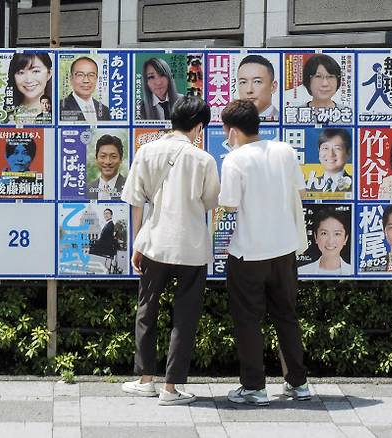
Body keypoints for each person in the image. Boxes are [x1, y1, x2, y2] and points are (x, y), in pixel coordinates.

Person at [120, 96, 220, 406]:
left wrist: (138, 241)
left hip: (154, 243)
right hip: (191, 246)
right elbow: (210, 201)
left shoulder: (146, 151)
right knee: (185, 317)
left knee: (147, 310)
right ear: (199, 126)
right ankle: (171, 388)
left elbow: (136, 200)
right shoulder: (203, 159)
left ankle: (145, 379)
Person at [218, 99, 310, 406]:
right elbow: (301, 190)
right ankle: (298, 384)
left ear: (231, 130)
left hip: (248, 252)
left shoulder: (234, 159)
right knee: (286, 316)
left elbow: (229, 204)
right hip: (285, 249)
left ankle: (254, 387)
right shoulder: (285, 151)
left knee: (248, 320)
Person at [299, 208, 352, 275]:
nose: (330, 241)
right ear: (316, 237)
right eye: (324, 233)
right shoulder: (301, 272)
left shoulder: (352, 272)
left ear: (345, 239)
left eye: (337, 234)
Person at [60, 57, 110, 123]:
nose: (86, 80)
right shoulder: (59, 107)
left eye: (91, 75)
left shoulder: (105, 110)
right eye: (80, 75)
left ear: (96, 79)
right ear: (71, 79)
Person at [6, 53, 53, 123]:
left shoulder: (59, 112)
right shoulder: (3, 115)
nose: (29, 80)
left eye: (36, 71)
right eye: (21, 72)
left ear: (49, 73)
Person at [307, 128, 352, 193]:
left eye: (337, 148)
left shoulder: (357, 185)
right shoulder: (308, 186)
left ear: (348, 153)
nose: (330, 154)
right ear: (319, 151)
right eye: (325, 148)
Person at [236, 54, 279, 122]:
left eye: (257, 82)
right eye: (243, 82)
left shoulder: (282, 119)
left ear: (273, 87)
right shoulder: (233, 122)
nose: (249, 90)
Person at [87, 134, 126, 200]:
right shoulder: (86, 189)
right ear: (96, 159)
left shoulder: (130, 188)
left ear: (120, 159)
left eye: (113, 157)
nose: (108, 162)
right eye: (103, 156)